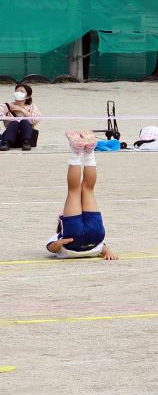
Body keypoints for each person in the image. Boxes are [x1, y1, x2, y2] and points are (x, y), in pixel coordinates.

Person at [44, 131, 118, 260]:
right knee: (75, 190)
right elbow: (51, 247)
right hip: (78, 236)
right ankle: (79, 151)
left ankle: (88, 151)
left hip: (92, 237)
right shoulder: (60, 234)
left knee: (87, 190)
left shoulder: (57, 236)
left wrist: (57, 244)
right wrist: (107, 252)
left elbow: (51, 248)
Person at [1, 80, 41, 151]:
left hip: (28, 139)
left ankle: (26, 142)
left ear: (28, 96)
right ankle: (6, 143)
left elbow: (37, 119)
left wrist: (22, 110)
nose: (18, 93)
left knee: (24, 121)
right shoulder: (7, 106)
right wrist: (10, 118)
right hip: (11, 138)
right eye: (17, 91)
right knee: (15, 123)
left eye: (22, 91)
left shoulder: (32, 107)